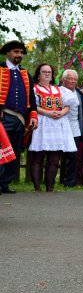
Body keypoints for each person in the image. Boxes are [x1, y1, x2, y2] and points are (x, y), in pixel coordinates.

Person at [29, 63, 77, 192]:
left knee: (55, 158)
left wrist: (62, 112)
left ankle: (50, 187)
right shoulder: (33, 89)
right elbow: (32, 106)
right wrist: (47, 112)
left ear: (52, 75)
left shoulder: (60, 89)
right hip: (42, 123)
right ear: (38, 74)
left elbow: (69, 104)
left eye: (49, 72)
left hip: (58, 124)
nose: (46, 74)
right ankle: (37, 187)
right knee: (38, 157)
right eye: (44, 71)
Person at [0, 40, 38, 194]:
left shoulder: (25, 74)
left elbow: (32, 99)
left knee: (14, 152)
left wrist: (33, 115)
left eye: (21, 53)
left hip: (20, 119)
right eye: (16, 52)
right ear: (8, 53)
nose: (19, 55)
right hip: (3, 117)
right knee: (2, 151)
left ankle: (4, 183)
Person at [59, 69, 82, 187]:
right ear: (63, 79)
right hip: (61, 125)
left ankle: (69, 181)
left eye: (75, 79)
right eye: (70, 78)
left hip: (75, 127)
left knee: (73, 155)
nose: (73, 81)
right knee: (59, 154)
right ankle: (60, 179)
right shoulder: (58, 91)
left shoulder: (78, 92)